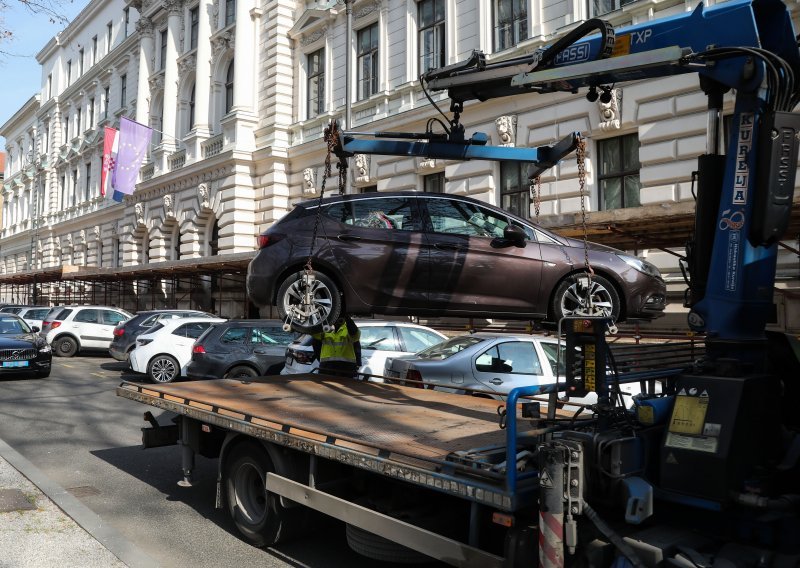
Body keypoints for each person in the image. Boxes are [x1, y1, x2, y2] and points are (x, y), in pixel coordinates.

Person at [311, 314, 362, 379]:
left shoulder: (348, 329)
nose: (337, 320)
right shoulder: (326, 329)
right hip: (327, 367)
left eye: (339, 318)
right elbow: (314, 334)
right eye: (335, 318)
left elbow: (355, 336)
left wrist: (348, 319)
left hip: (346, 368)